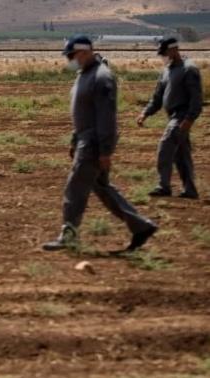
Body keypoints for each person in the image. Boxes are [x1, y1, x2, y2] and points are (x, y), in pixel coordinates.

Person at [43, 36, 158, 252]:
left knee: (75, 188)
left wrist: (105, 151)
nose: (70, 60)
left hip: (93, 143)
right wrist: (75, 140)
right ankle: (141, 226)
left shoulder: (101, 77)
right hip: (85, 140)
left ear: (84, 52)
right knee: (102, 187)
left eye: (71, 55)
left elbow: (106, 117)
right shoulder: (85, 74)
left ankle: (69, 235)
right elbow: (83, 114)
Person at [137, 38, 203, 199]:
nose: (163, 57)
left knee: (165, 146)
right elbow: (157, 98)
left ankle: (163, 186)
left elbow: (196, 99)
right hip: (172, 116)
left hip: (181, 117)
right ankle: (190, 190)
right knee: (181, 155)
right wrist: (145, 113)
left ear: (174, 50)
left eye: (165, 53)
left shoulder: (189, 69)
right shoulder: (166, 71)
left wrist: (189, 119)